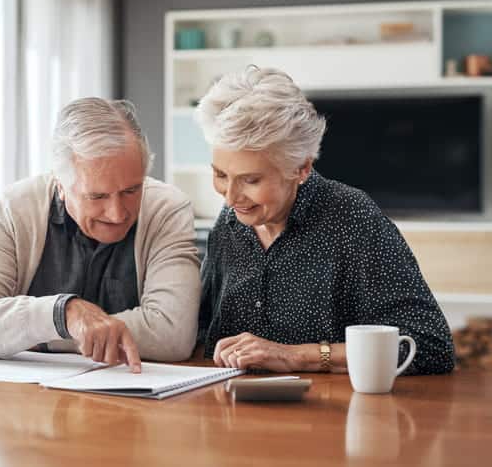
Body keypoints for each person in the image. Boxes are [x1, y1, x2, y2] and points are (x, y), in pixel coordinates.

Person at [194, 66, 455, 375]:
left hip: (332, 415)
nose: (230, 197)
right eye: (221, 175)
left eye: (251, 180)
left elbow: (429, 345)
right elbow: (203, 332)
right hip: (230, 408)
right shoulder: (230, 221)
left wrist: (296, 356)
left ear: (301, 168)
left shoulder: (353, 217)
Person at [0, 97, 201, 372]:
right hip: (29, 404)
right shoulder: (16, 208)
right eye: (97, 196)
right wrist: (64, 314)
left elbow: (173, 334)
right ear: (61, 186)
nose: (117, 213)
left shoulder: (168, 208)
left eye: (131, 191)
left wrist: (38, 335)